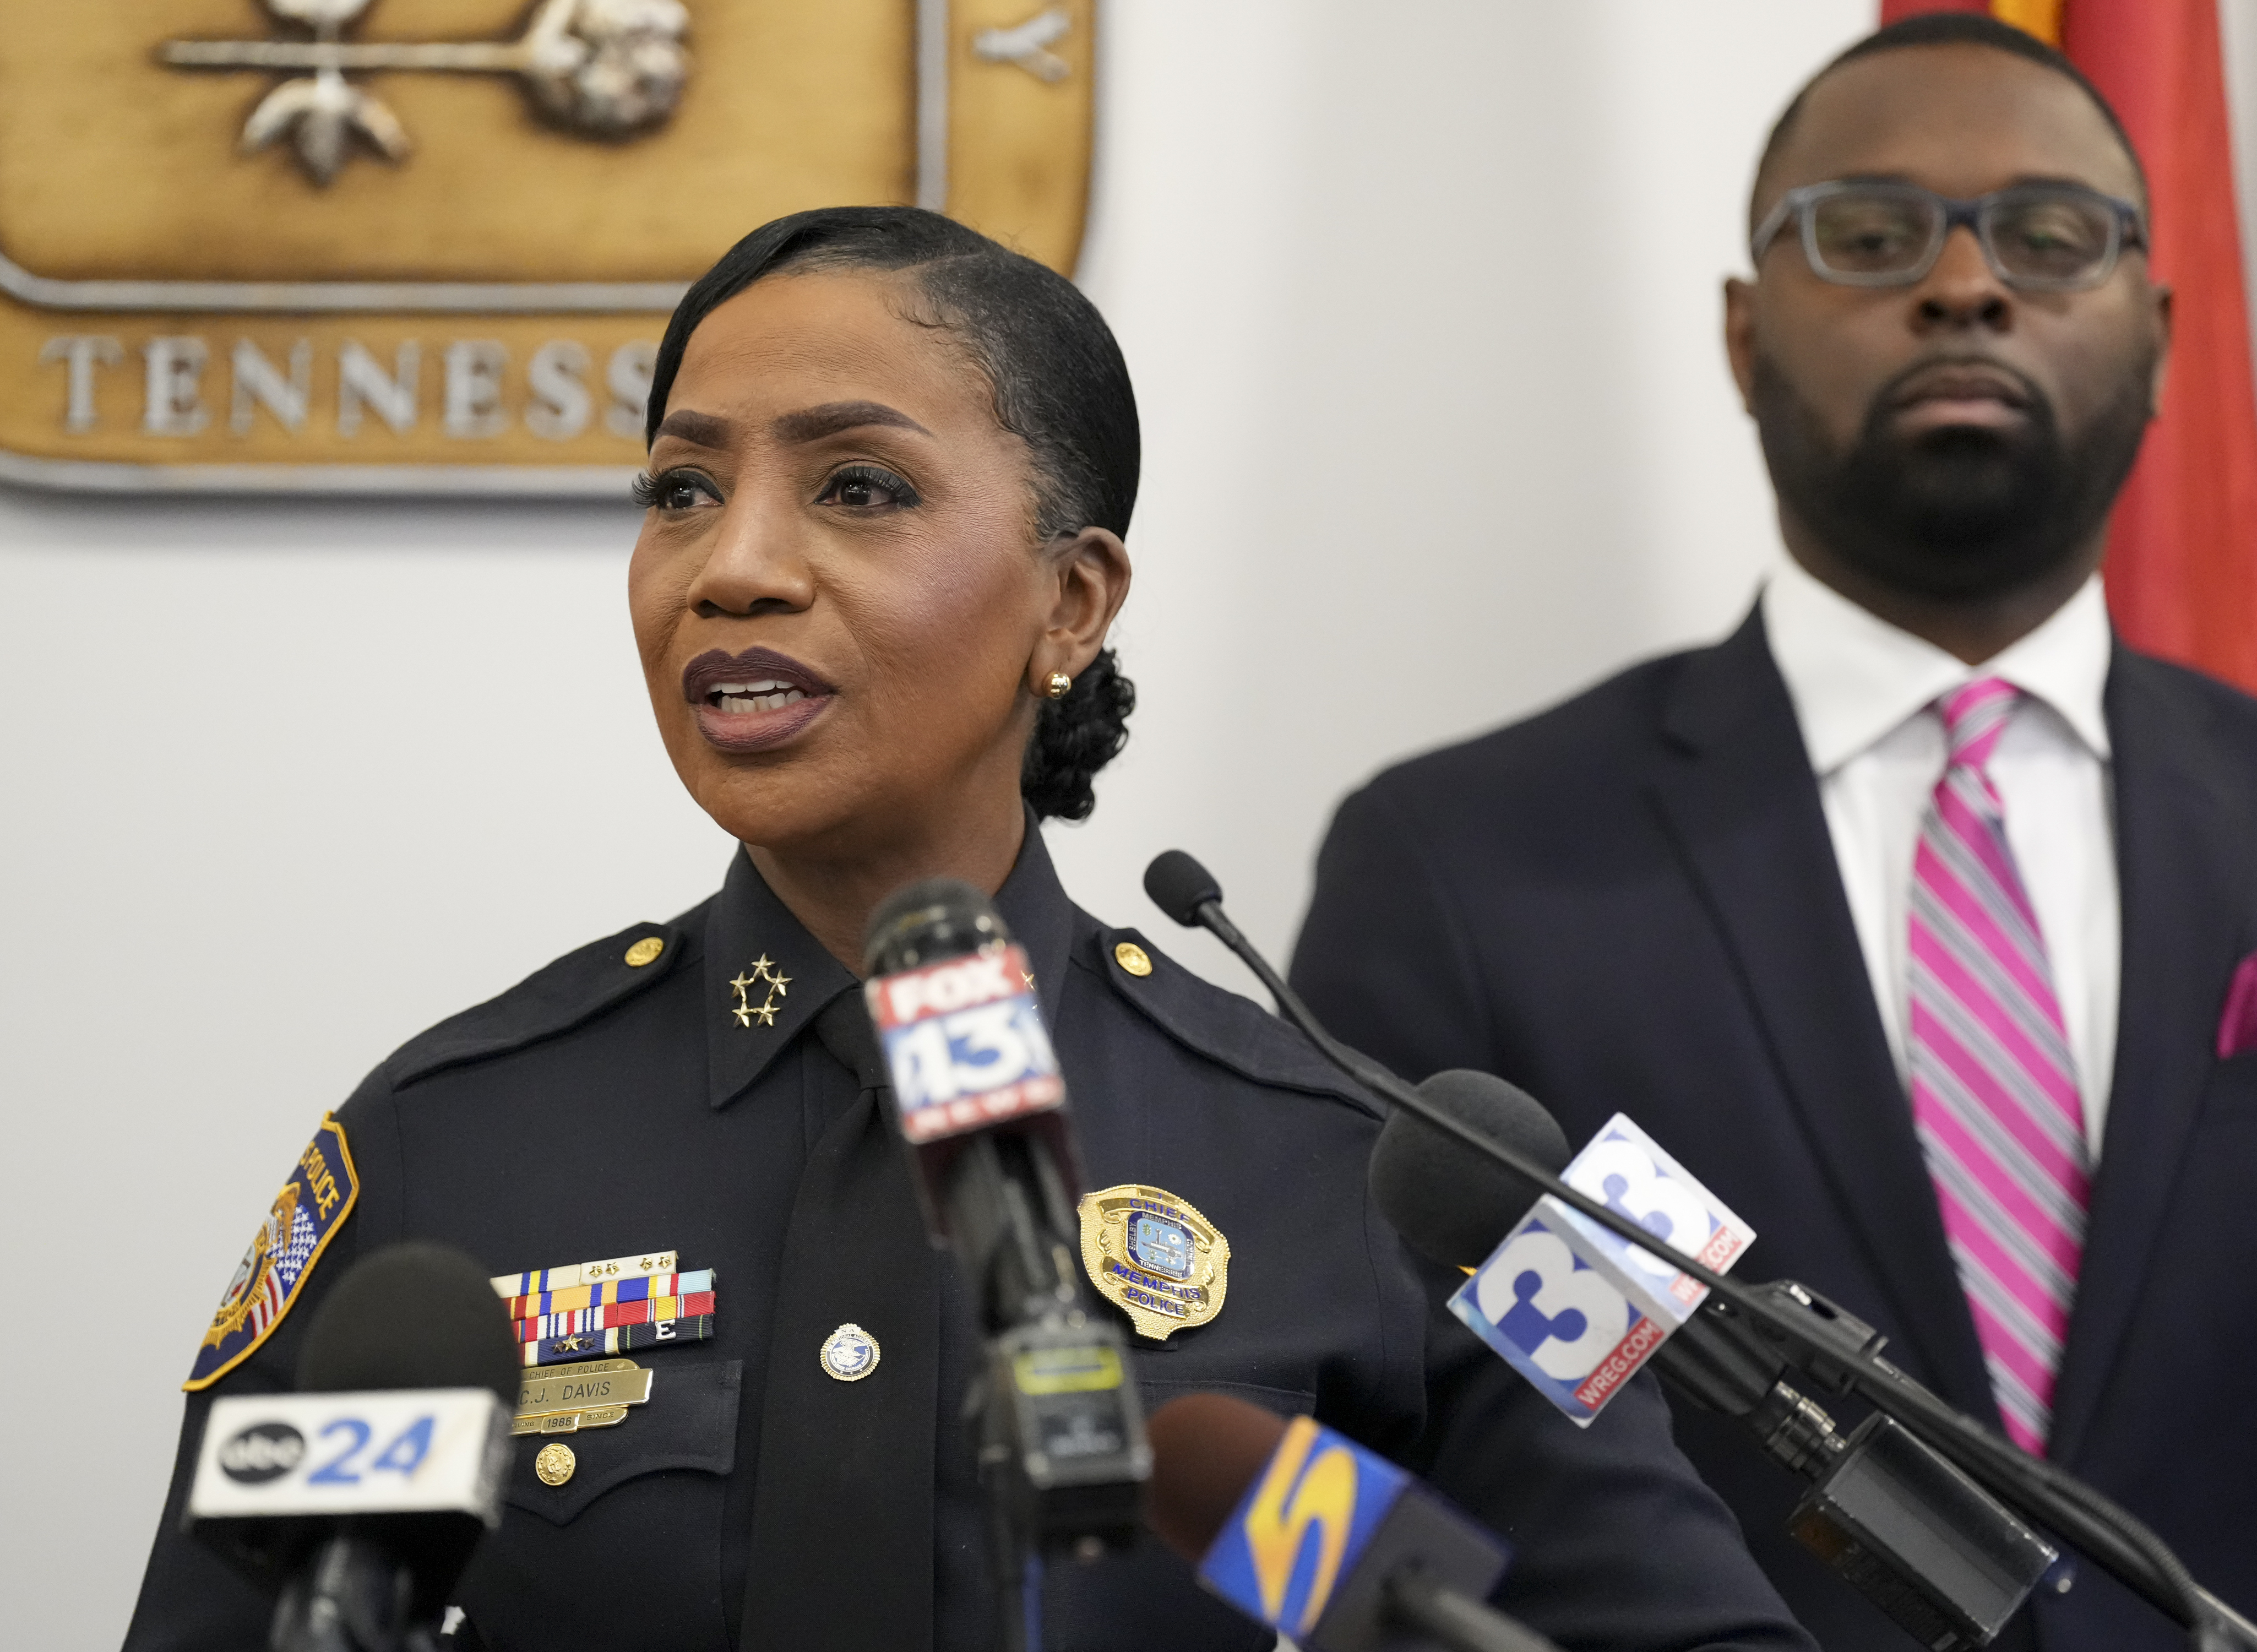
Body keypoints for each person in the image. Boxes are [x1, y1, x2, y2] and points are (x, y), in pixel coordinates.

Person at [122, 206, 1813, 1652]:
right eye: (678, 490)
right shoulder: (440, 1146)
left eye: (857, 488)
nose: (733, 567)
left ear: (1070, 600)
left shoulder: (1394, 1173)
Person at [1292, 17, 2257, 1652]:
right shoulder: (1459, 874)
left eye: (2050, 236)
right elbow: (1381, 1473)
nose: (1965, 286)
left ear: (2160, 330)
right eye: (1868, 233)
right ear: (1737, 334)